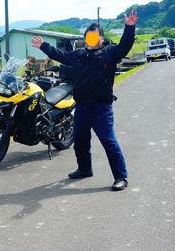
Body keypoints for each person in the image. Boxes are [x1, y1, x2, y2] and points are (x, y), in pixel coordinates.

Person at [31, 10, 138, 191]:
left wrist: (129, 27)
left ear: (101, 39)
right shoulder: (79, 54)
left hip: (101, 108)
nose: (91, 39)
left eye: (94, 36)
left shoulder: (109, 53)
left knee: (109, 141)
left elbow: (125, 46)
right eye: (88, 36)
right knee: (80, 141)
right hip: (81, 107)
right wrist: (44, 46)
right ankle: (84, 168)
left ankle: (121, 177)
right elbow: (60, 55)